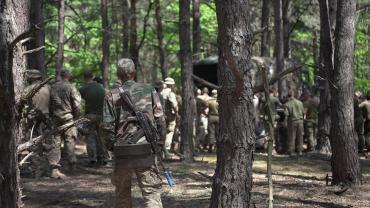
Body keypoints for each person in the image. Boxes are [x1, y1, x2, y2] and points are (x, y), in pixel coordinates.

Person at [108, 58, 166, 208]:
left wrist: (111, 147)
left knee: (122, 193)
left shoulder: (111, 94)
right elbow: (160, 120)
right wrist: (159, 144)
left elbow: (106, 126)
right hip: (146, 147)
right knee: (151, 191)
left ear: (118, 74)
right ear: (134, 72)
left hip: (122, 149)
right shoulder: (150, 89)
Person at [22, 70, 57, 178]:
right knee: (49, 144)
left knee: (33, 144)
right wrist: (50, 110)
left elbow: (21, 103)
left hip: (32, 121)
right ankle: (50, 170)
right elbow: (57, 102)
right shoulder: (49, 88)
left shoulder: (27, 89)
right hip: (46, 120)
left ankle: (36, 171)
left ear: (31, 78)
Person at [50, 69, 81, 172]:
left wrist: (51, 115)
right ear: (69, 76)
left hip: (56, 117)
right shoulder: (71, 87)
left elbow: (50, 103)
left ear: (60, 75)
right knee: (70, 140)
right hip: (68, 117)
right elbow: (77, 104)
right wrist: (76, 117)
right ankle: (72, 165)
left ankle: (54, 167)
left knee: (56, 141)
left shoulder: (53, 87)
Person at [79, 71, 108, 166]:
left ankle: (92, 158)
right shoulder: (102, 88)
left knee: (90, 136)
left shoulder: (83, 89)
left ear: (84, 78)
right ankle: (103, 157)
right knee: (101, 137)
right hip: (101, 116)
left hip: (89, 116)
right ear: (93, 76)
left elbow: (78, 100)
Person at [161, 77, 178, 159]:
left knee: (161, 133)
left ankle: (161, 152)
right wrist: (177, 112)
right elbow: (174, 105)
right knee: (169, 132)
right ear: (172, 85)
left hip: (160, 115)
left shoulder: (160, 92)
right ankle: (166, 152)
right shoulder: (171, 93)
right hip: (170, 116)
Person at [284, 91, 305, 156]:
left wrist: (285, 123)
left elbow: (286, 114)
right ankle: (300, 151)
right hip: (300, 121)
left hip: (292, 121)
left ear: (288, 96)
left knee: (292, 137)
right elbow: (303, 112)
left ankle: (291, 151)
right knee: (300, 136)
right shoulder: (300, 103)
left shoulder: (287, 104)